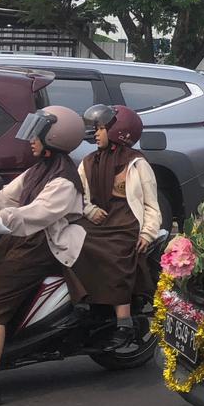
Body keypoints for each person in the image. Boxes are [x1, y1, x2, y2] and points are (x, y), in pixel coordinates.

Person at [0, 106, 87, 406]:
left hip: (44, 244)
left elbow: (37, 214)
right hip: (22, 240)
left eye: (38, 133)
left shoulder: (64, 179)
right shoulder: (39, 168)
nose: (31, 139)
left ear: (54, 137)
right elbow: (7, 195)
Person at [74, 104, 160, 350]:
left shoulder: (136, 163)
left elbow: (150, 203)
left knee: (116, 254)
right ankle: (83, 304)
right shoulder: (88, 162)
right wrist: (89, 210)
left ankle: (124, 321)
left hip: (125, 223)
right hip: (97, 221)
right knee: (70, 241)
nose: (96, 134)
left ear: (118, 131)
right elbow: (79, 195)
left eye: (101, 128)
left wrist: (148, 232)